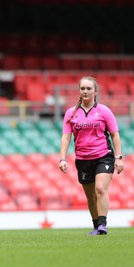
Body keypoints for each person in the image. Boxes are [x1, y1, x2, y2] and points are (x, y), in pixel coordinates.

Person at [59, 76, 124, 235]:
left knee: (100, 189)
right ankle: (96, 225)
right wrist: (62, 158)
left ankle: (103, 225)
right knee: (91, 196)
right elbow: (66, 137)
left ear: (95, 91)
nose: (85, 91)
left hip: (103, 156)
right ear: (79, 91)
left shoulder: (104, 111)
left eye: (89, 88)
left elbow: (115, 135)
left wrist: (118, 158)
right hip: (82, 159)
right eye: (83, 88)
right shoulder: (70, 113)